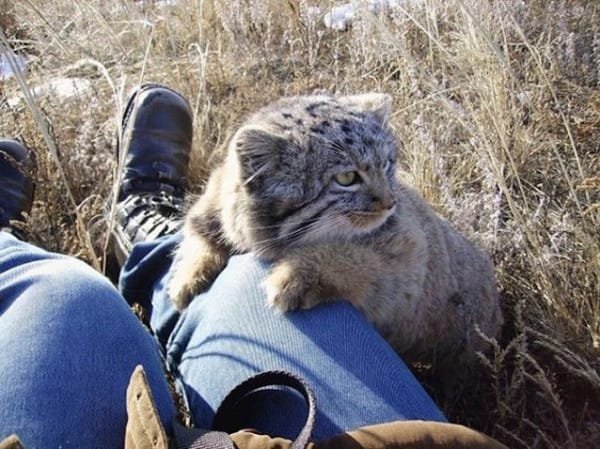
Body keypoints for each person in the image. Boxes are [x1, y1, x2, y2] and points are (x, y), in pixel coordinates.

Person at [0, 84, 447, 448]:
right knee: (237, 271)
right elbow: (218, 209)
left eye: (388, 169)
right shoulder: (260, 178)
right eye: (350, 179)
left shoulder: (384, 215)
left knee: (64, 294)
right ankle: (155, 252)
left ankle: (128, 242)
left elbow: (404, 262)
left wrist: (325, 269)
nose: (387, 199)